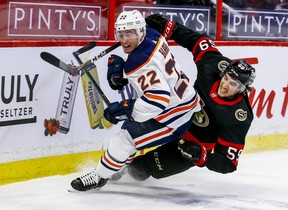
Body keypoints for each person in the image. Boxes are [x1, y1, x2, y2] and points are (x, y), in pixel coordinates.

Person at [70, 10, 201, 191]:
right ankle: (117, 165)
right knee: (129, 130)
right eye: (121, 35)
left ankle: (99, 177)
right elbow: (154, 67)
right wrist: (124, 73)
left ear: (141, 32)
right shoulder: (153, 35)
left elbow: (158, 99)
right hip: (182, 101)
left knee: (125, 139)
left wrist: (126, 108)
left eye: (129, 34)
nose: (124, 40)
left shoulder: (139, 63)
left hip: (174, 116)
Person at [118, 14, 256, 181]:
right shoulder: (215, 66)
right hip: (175, 116)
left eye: (233, 84)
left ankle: (125, 175)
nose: (225, 85)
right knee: (131, 138)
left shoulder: (239, 117)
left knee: (141, 169)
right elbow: (197, 41)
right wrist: (170, 28)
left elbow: (228, 163)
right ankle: (111, 168)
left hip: (191, 145)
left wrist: (203, 157)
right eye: (226, 78)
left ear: (243, 89)